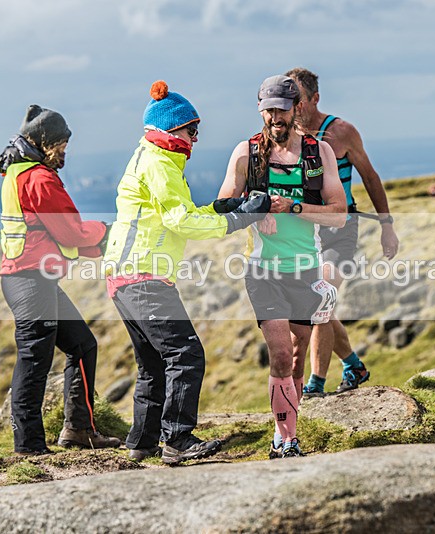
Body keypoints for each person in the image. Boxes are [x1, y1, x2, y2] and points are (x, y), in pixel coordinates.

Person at [103, 81, 270, 465]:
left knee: (153, 364)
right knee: (185, 353)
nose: (195, 137)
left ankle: (141, 442)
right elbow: (180, 221)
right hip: (144, 275)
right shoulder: (160, 164)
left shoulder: (151, 157)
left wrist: (225, 206)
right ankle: (177, 440)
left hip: (125, 277)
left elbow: (181, 212)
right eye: (191, 129)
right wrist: (238, 220)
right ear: (170, 130)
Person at [218, 75, 346, 458]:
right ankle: (283, 439)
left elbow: (338, 216)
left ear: (297, 109)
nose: (275, 116)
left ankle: (290, 432)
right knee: (278, 354)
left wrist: (294, 208)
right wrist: (256, 210)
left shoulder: (317, 153)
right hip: (263, 270)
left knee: (295, 356)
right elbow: (224, 204)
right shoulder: (247, 152)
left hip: (306, 269)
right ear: (261, 110)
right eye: (268, 109)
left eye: (282, 109)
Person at [0, 105, 121, 455]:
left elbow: (53, 235)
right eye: (63, 143)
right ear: (46, 141)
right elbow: (72, 231)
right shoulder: (39, 178)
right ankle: (29, 446)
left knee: (82, 346)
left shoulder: (18, 173)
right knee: (34, 360)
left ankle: (79, 430)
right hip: (31, 281)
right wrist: (110, 233)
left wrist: (99, 247)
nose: (65, 150)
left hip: (31, 278)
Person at [285, 67, 400, 395]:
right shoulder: (283, 135)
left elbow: (371, 177)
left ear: (315, 99)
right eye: (287, 101)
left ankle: (316, 385)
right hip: (302, 234)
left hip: (341, 229)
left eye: (299, 101)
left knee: (321, 300)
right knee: (309, 306)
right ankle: (353, 365)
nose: (293, 108)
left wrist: (387, 226)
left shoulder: (342, 132)